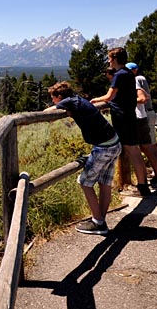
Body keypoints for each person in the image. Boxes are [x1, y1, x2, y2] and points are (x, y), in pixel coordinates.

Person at [45, 81, 121, 235]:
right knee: (104, 183)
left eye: (53, 98)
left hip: (103, 147)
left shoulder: (68, 102)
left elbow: (48, 114)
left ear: (59, 97)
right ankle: (99, 220)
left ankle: (98, 223)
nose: (53, 101)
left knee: (85, 183)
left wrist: (56, 108)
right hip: (114, 143)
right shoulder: (78, 100)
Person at [91, 47, 151, 197]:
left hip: (122, 118)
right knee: (135, 152)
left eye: (110, 58)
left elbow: (109, 96)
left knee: (130, 151)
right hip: (130, 116)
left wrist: (94, 100)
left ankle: (139, 187)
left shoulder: (118, 75)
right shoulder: (129, 74)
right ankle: (143, 186)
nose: (109, 61)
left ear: (115, 59)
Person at [126, 62, 157, 192]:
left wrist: (125, 101)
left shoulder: (135, 80)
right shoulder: (142, 78)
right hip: (149, 113)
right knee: (153, 146)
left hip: (143, 115)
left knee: (148, 148)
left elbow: (143, 97)